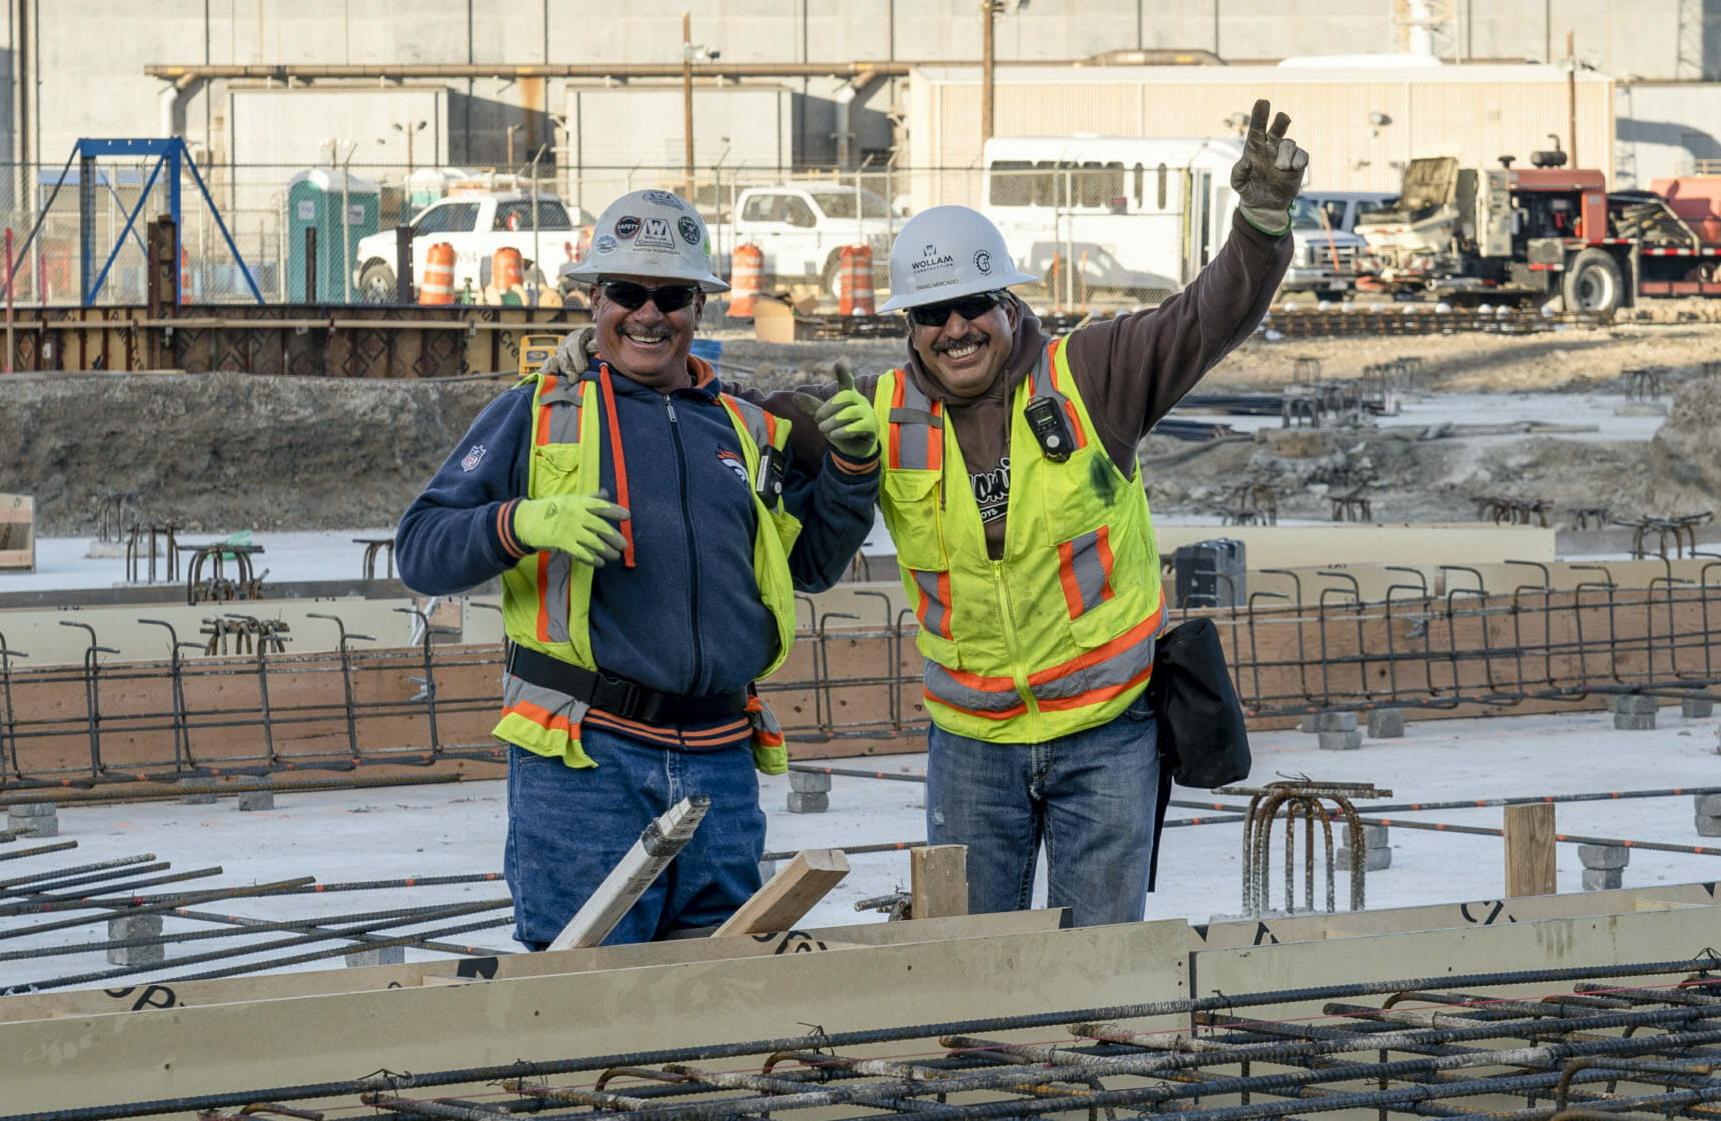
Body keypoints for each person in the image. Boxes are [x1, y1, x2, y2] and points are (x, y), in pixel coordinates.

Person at [542, 101, 1305, 927]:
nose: (956, 329)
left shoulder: (1093, 374)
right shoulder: (881, 410)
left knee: (1098, 959)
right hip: (972, 743)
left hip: (1107, 729)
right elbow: (736, 413)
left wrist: (1259, 224)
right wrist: (616, 362)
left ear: (1006, 301)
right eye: (931, 313)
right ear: (908, 323)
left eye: (972, 303)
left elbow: (1207, 316)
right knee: (970, 960)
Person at [394, 188, 881, 949]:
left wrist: (852, 471)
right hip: (587, 764)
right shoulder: (540, 411)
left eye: (672, 296)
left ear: (699, 308)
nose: (649, 314)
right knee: (584, 999)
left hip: (720, 760)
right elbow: (420, 548)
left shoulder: (744, 428)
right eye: (627, 292)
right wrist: (520, 523)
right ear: (595, 299)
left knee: (716, 992)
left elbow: (810, 568)